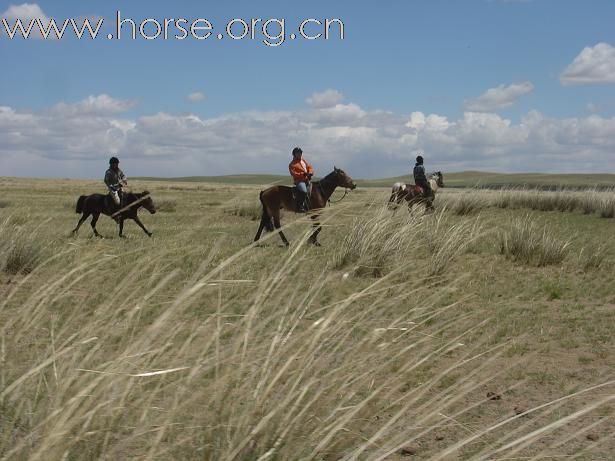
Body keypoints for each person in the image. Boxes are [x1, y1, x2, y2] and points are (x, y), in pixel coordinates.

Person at [288, 147, 314, 213]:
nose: (299, 154)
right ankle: (300, 206)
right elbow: (293, 173)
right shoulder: (292, 164)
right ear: (294, 154)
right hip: (299, 181)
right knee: (304, 191)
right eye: (297, 153)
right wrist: (302, 174)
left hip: (307, 179)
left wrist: (310, 172)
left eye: (300, 153)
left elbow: (309, 167)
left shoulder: (303, 161)